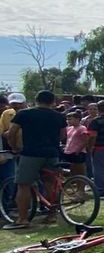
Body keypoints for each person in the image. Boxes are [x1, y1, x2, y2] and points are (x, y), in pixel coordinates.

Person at [2, 90, 67, 229]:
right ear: (52, 101)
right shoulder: (59, 116)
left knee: (23, 184)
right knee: (50, 183)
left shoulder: (24, 114)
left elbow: (11, 133)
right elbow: (63, 135)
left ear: (36, 100)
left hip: (31, 153)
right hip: (52, 153)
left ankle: (23, 219)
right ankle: (52, 214)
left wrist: (14, 148)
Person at [62, 111, 90, 177]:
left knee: (80, 171)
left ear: (77, 119)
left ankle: (82, 185)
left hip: (78, 152)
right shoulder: (69, 128)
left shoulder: (82, 128)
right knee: (72, 170)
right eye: (67, 119)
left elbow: (86, 140)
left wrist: (78, 150)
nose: (68, 121)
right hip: (69, 151)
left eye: (70, 119)